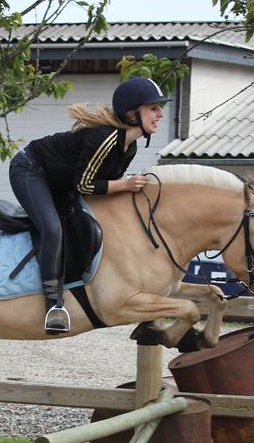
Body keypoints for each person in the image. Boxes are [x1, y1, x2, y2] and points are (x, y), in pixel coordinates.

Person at [9, 76, 169, 334]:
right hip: (30, 169)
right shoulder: (104, 139)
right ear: (132, 113)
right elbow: (84, 186)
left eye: (159, 107)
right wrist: (127, 185)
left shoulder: (130, 148)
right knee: (52, 229)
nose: (160, 113)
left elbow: (101, 188)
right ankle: (54, 306)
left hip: (61, 182)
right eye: (153, 107)